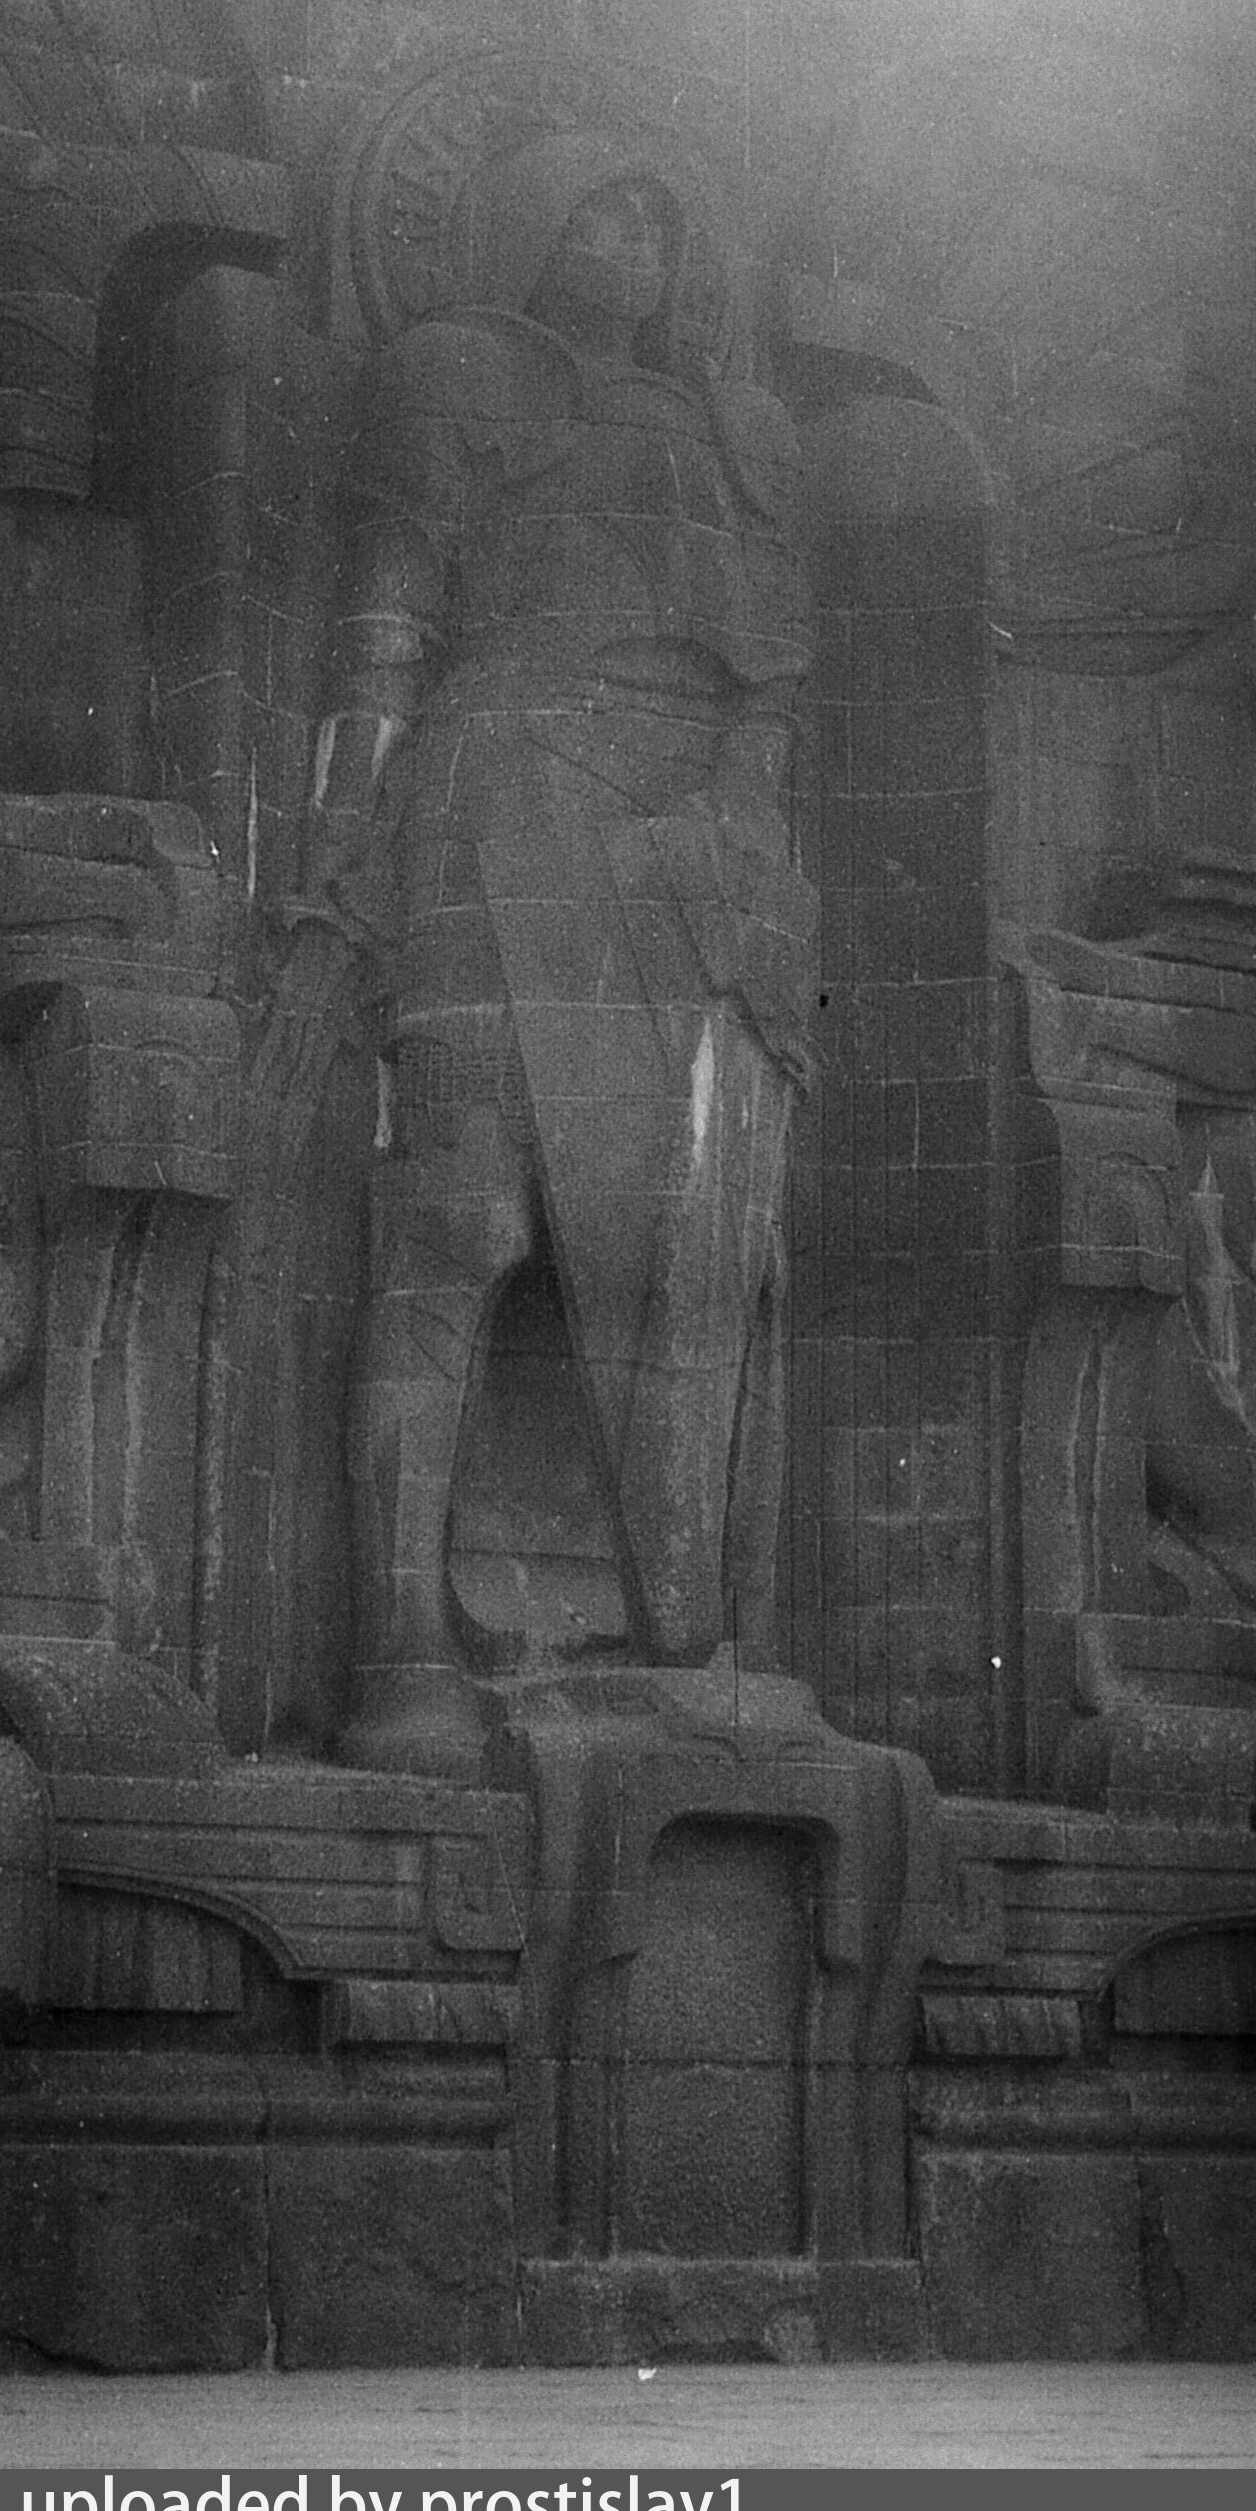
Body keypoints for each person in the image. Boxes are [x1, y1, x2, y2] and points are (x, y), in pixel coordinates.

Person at [297, 132, 815, 1777]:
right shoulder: (454, 374)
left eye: (659, 216)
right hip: (498, 800)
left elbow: (772, 689)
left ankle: (694, 1643)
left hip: (698, 852)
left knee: (709, 1249)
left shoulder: (739, 433)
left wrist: (744, 837)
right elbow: (388, 620)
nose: (633, 239)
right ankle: (397, 1650)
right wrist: (341, 824)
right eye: (602, 205)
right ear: (527, 222)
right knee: (453, 1219)